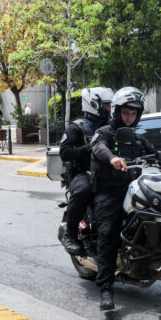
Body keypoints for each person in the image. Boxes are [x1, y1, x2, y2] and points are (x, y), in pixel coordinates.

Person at [90, 87, 156, 310]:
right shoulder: (105, 133)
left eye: (134, 113)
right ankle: (106, 288)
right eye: (126, 113)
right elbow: (98, 147)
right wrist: (112, 158)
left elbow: (155, 154)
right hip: (109, 191)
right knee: (108, 232)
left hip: (133, 189)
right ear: (117, 112)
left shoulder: (137, 138)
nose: (129, 117)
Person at [59, 87, 114, 255]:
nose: (110, 109)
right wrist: (90, 147)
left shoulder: (110, 126)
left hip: (107, 172)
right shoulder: (77, 128)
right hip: (83, 173)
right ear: (94, 105)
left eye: (110, 105)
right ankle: (70, 235)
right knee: (82, 191)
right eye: (107, 105)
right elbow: (64, 152)